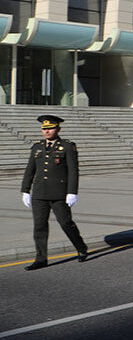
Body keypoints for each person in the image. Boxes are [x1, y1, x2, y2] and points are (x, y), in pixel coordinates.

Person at [20, 115, 88, 270]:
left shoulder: (67, 146)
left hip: (59, 193)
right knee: (39, 226)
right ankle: (41, 258)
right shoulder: (37, 147)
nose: (46, 131)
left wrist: (72, 192)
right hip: (39, 194)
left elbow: (73, 171)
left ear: (58, 129)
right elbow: (30, 170)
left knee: (65, 223)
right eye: (44, 129)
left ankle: (81, 247)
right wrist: (25, 190)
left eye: (50, 128)